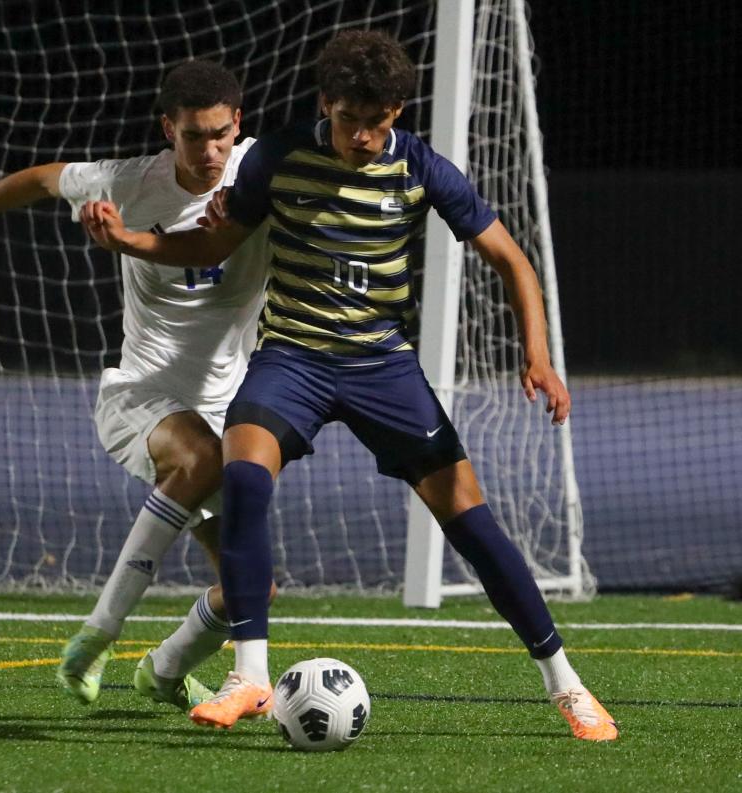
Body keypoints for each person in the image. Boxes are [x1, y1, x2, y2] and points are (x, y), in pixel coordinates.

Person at [79, 31, 619, 740]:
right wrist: (129, 242)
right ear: (323, 103)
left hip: (381, 367)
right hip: (292, 358)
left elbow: (509, 257)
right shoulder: (274, 156)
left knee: (473, 524)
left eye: (378, 121)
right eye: (348, 120)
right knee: (242, 471)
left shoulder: (420, 168)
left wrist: (538, 355)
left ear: (397, 111)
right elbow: (211, 244)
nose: (362, 136)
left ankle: (567, 685)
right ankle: (249, 673)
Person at [0, 60, 274, 712]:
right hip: (142, 395)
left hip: (224, 408)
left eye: (219, 134)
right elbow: (38, 179)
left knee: (251, 590)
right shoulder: (128, 182)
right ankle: (98, 633)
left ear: (236, 124)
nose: (208, 150)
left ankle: (164, 667)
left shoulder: (261, 174)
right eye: (192, 136)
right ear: (168, 130)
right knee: (198, 458)